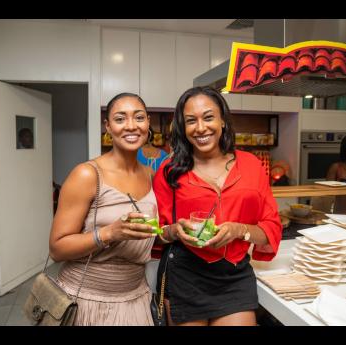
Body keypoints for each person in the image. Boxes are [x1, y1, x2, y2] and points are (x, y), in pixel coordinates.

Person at [152, 86, 282, 326]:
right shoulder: (169, 172)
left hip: (234, 275)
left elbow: (270, 228)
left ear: (223, 120)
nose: (201, 128)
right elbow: (154, 235)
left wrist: (237, 230)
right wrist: (173, 231)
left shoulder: (252, 165)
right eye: (191, 121)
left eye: (208, 117)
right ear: (183, 127)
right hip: (185, 275)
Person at [49, 93, 158, 326]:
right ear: (108, 126)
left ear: (148, 122)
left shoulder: (150, 175)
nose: (131, 126)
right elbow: (57, 249)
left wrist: (171, 231)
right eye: (120, 119)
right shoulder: (87, 174)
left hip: (135, 299)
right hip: (86, 301)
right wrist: (109, 233)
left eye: (139, 117)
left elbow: (145, 237)